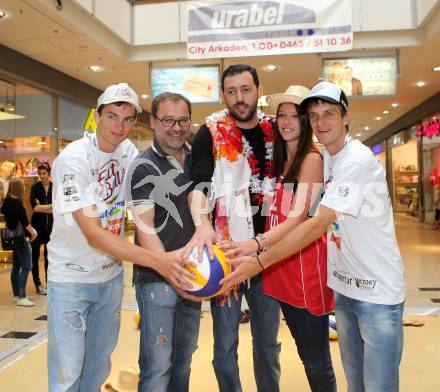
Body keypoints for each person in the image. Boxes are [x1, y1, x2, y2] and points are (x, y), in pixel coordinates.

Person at [223, 81, 406, 392]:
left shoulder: (353, 160)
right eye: (315, 114)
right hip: (346, 288)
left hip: (376, 293)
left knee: (377, 385)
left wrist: (258, 256)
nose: (321, 122)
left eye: (329, 114)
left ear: (346, 117)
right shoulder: (330, 156)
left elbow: (315, 222)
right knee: (356, 383)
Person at [47, 83, 195, 392]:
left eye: (128, 119)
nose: (120, 126)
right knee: (68, 373)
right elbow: (94, 235)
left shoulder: (128, 153)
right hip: (71, 279)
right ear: (97, 116)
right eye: (112, 116)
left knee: (98, 367)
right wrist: (159, 261)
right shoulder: (74, 159)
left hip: (110, 278)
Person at [221, 85, 336, 392]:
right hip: (282, 268)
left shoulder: (311, 158)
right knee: (303, 350)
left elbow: (298, 217)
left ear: (306, 121)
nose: (286, 122)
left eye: (294, 116)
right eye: (281, 115)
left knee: (316, 359)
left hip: (305, 270)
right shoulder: (285, 160)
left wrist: (255, 244)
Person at [189, 64, 281, 392]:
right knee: (224, 346)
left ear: (258, 89)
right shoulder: (210, 131)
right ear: (223, 94)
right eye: (231, 91)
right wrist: (202, 223)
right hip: (226, 257)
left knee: (268, 344)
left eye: (245, 89)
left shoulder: (276, 131)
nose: (239, 98)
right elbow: (199, 184)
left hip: (267, 255)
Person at [127, 92, 201, 392]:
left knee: (183, 361)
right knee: (158, 367)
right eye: (168, 120)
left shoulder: (198, 160)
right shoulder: (143, 166)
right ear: (154, 122)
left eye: (182, 120)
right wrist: (173, 273)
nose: (176, 127)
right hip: (157, 279)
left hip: (193, 275)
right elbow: (145, 231)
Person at [1, 177, 38, 307]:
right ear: (18, 188)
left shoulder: (6, 202)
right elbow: (25, 223)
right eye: (22, 186)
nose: (24, 188)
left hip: (13, 238)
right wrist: (34, 233)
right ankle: (22, 297)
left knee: (16, 266)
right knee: (27, 265)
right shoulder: (17, 203)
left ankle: (17, 295)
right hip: (22, 238)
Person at [30, 161, 53, 295]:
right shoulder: (35, 188)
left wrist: (43, 207)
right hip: (36, 228)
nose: (42, 176)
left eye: (44, 173)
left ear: (49, 173)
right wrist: (51, 206)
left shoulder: (55, 187)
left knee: (49, 256)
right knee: (35, 256)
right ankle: (37, 284)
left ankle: (49, 282)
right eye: (40, 173)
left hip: (50, 227)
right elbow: (35, 207)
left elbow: (58, 208)